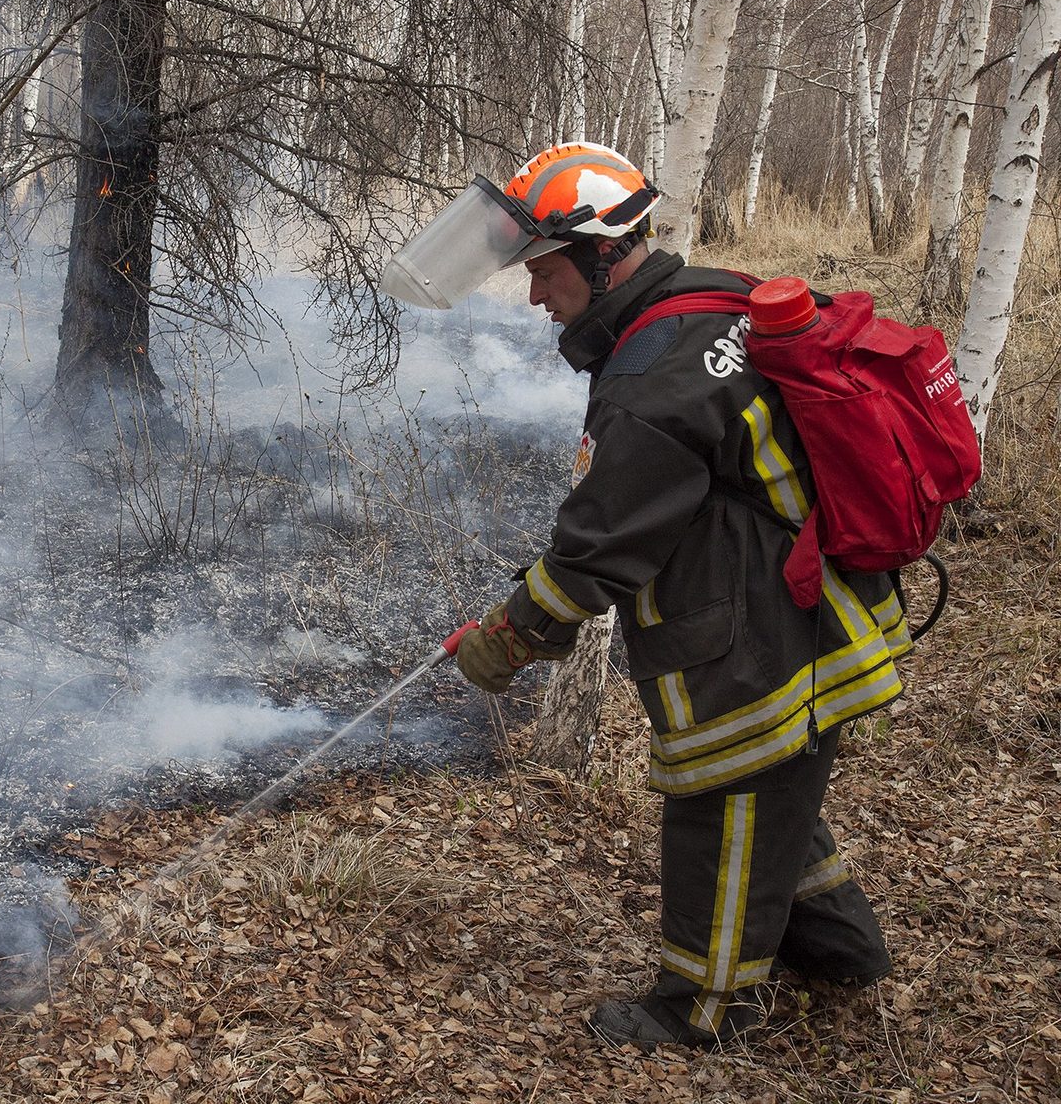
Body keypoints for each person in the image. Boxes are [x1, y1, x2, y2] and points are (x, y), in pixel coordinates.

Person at [385, 142, 908, 1048]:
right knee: (778, 787)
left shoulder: (646, 382)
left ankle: (702, 1009)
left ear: (600, 253)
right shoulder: (710, 297)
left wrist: (508, 638)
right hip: (825, 609)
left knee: (726, 804)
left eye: (546, 271)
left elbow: (596, 547)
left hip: (762, 636)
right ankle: (843, 950)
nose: (538, 295)